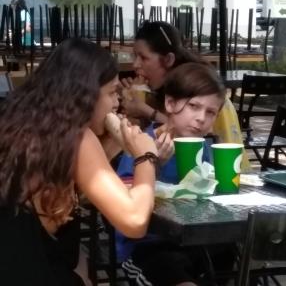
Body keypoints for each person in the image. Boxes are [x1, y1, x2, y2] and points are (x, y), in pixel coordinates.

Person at [0, 38, 173, 285]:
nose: (116, 103)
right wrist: (146, 157)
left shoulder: (23, 121)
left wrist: (116, 144)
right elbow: (134, 222)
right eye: (112, 92)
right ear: (85, 94)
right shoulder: (78, 135)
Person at [116, 62, 230, 286]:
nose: (201, 118)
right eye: (194, 106)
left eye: (210, 112)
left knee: (233, 253)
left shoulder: (205, 149)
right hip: (149, 246)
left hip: (195, 240)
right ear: (170, 103)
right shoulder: (142, 145)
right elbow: (125, 204)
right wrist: (152, 166)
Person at [121, 20, 248, 170]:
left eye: (143, 57)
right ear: (170, 102)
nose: (135, 65)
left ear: (168, 59)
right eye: (134, 56)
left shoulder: (209, 95)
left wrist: (146, 111)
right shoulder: (144, 139)